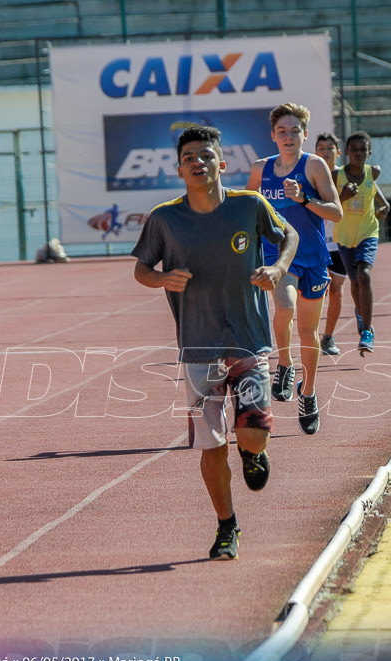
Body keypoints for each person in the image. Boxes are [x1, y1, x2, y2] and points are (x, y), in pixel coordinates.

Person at [132, 125, 298, 561]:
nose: (198, 163)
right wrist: (162, 278)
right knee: (211, 445)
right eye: (189, 158)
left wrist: (279, 268)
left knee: (252, 436)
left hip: (247, 341)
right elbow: (141, 269)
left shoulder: (250, 206)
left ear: (222, 164)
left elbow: (289, 236)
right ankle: (227, 526)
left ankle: (253, 453)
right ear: (180, 168)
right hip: (198, 348)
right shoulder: (165, 219)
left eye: (206, 156)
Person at [247, 103, 343, 435]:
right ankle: (284, 364)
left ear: (304, 134)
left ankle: (309, 391)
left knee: (308, 332)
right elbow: (246, 211)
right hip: (279, 256)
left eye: (295, 131)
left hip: (314, 257)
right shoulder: (261, 169)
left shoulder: (314, 166)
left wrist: (304, 200)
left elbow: (336, 213)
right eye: (282, 131)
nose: (289, 137)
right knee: (283, 306)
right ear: (273, 135)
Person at [333, 131, 390, 353]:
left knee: (364, 275)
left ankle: (367, 332)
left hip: (368, 232)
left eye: (362, 149)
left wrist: (384, 206)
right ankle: (360, 311)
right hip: (345, 237)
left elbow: (375, 193)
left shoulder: (371, 172)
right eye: (354, 149)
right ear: (346, 152)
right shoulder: (336, 175)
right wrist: (344, 196)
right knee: (355, 282)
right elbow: (329, 203)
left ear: (369, 152)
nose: (358, 153)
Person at [314, 132, 346, 356]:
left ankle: (328, 337)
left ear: (338, 152)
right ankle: (311, 336)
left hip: (340, 242)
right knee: (315, 292)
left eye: (329, 148)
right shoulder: (310, 176)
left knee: (335, 290)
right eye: (321, 148)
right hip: (315, 242)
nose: (325, 152)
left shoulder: (346, 176)